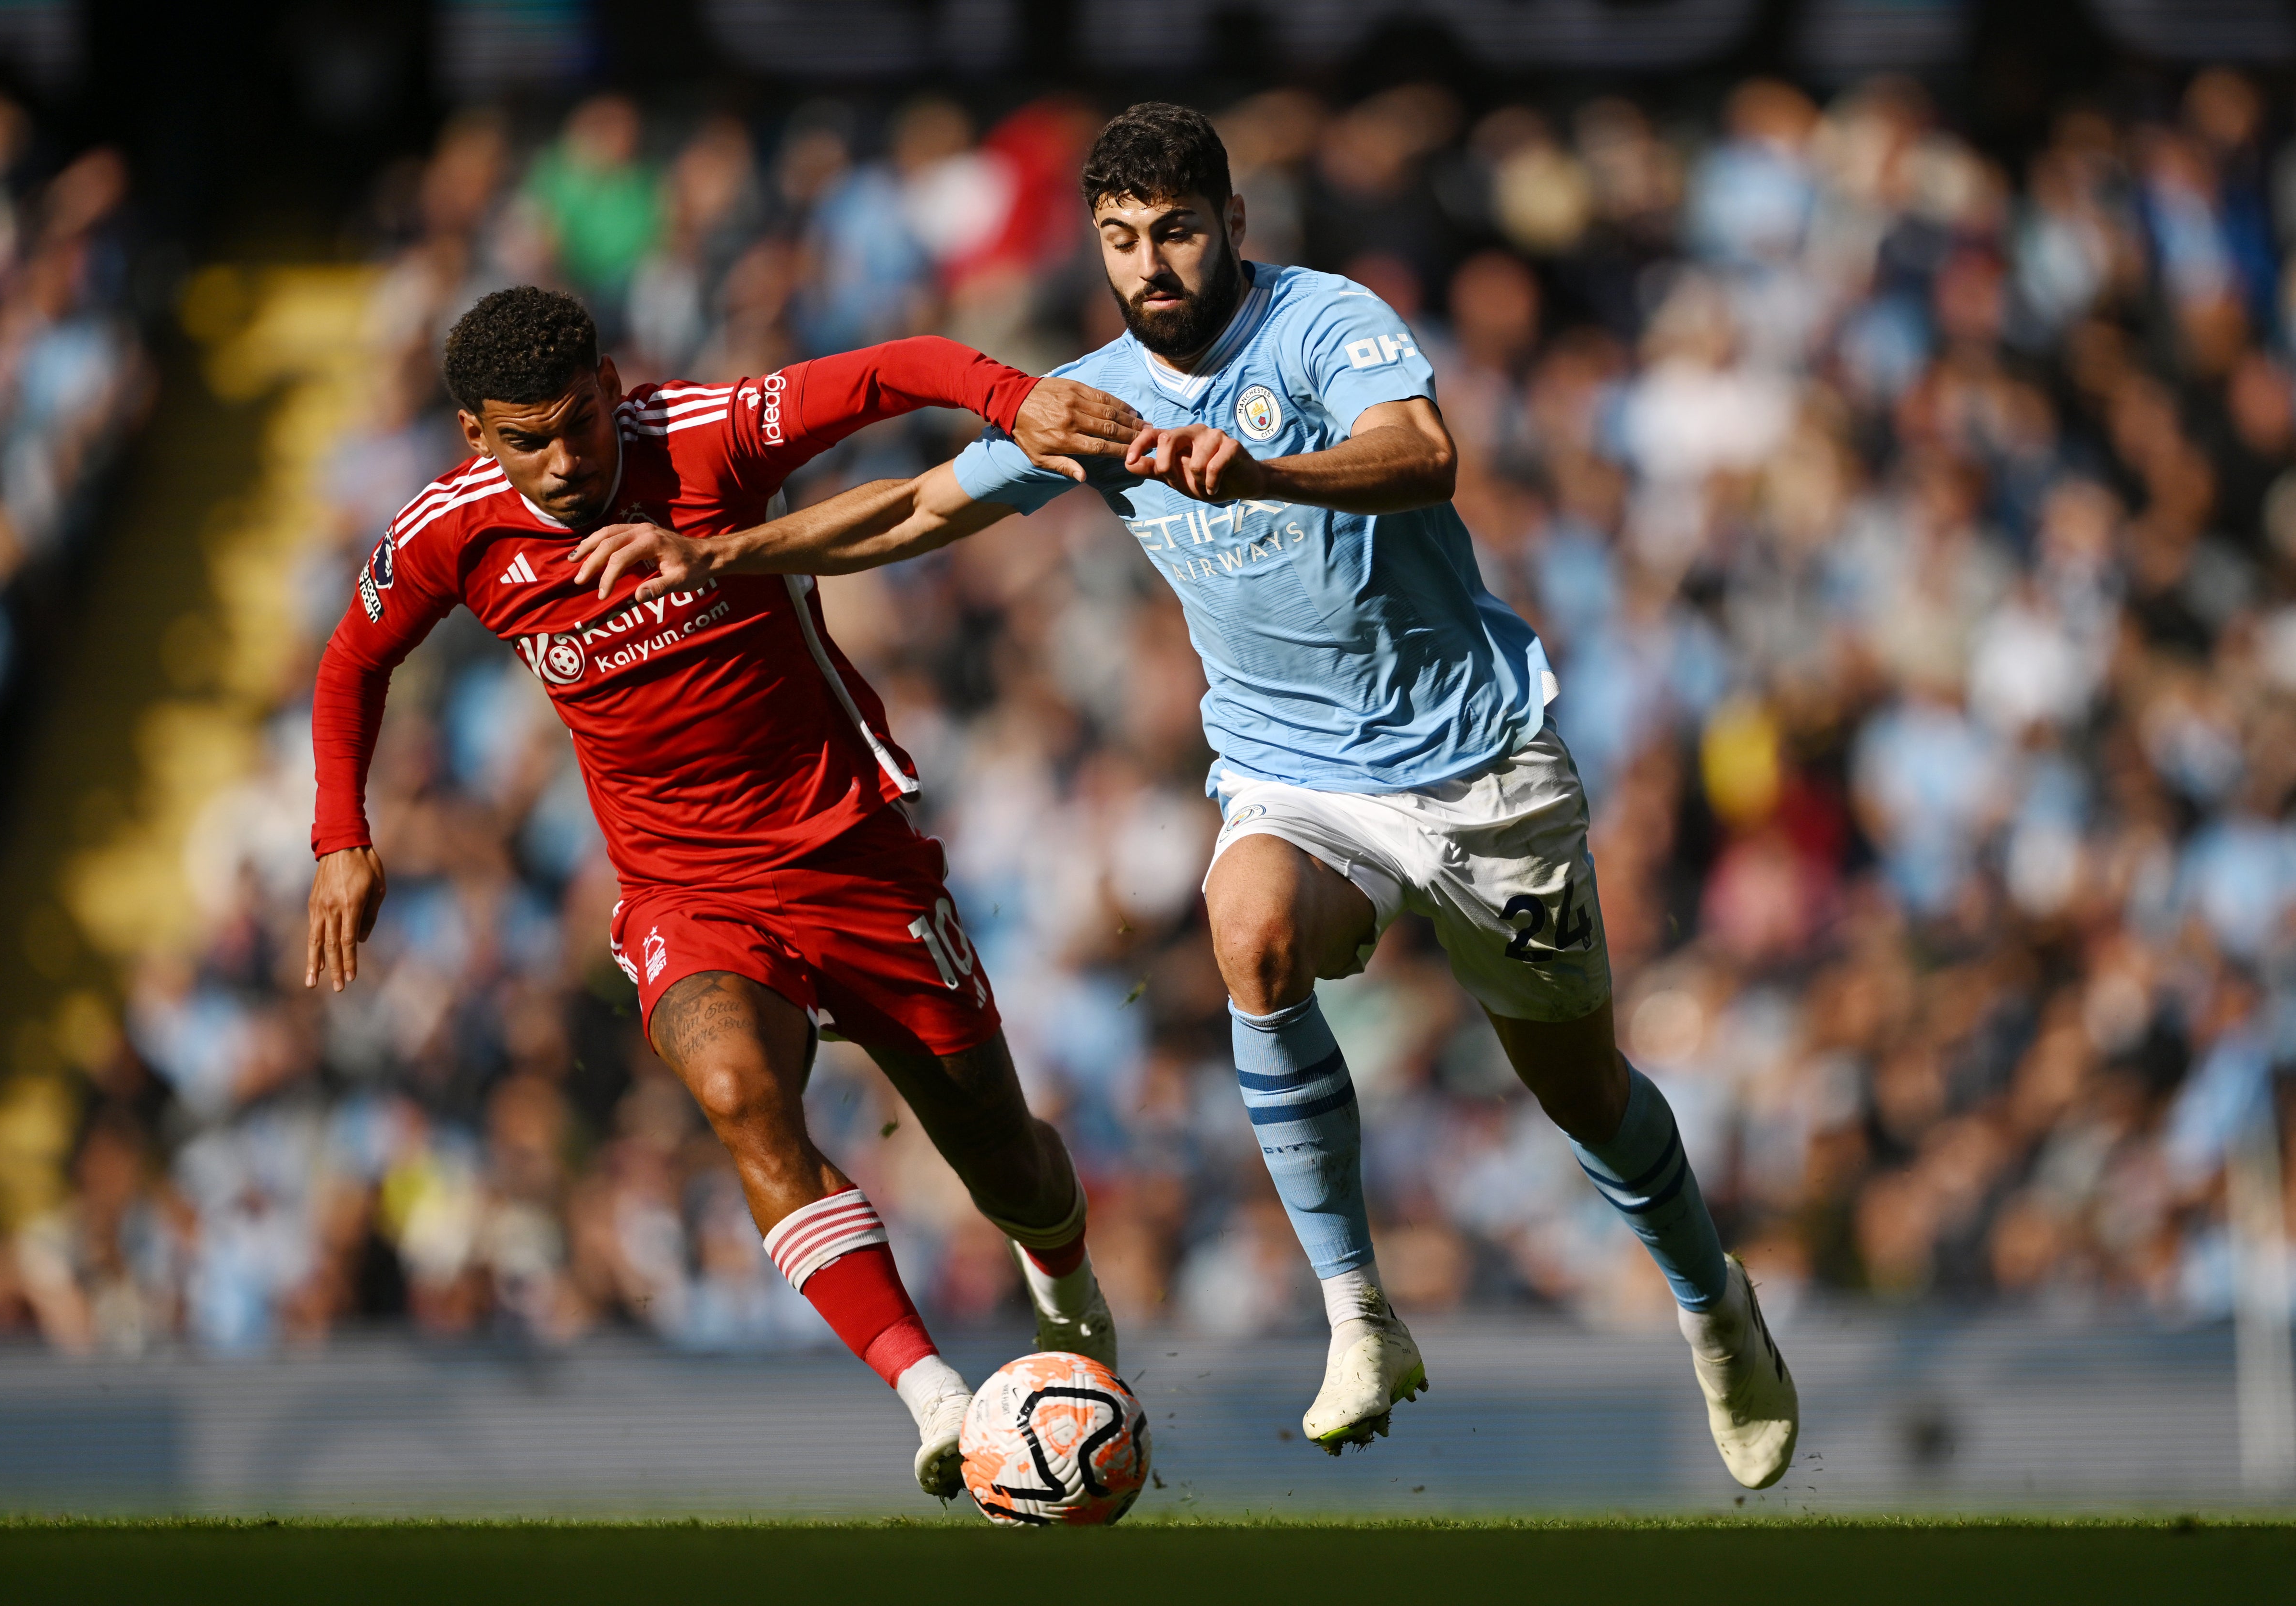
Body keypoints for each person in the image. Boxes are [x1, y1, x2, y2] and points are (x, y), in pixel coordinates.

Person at [568, 105, 1800, 1490]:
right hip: (1292, 775)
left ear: (1229, 222)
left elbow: (1420, 453)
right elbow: (917, 508)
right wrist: (720, 550)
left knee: (1582, 1098)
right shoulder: (1094, 401)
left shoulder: (1324, 323)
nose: (1147, 264)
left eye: (1174, 232)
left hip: (1475, 769)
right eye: (1118, 240)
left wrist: (1264, 466)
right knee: (1249, 932)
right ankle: (1359, 1314)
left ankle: (1712, 1304)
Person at [304, 286, 1148, 1498]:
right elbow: (352, 660)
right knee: (738, 1094)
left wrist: (1015, 398)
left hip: (853, 851)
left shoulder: (705, 434)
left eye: (575, 425)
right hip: (684, 890)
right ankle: (936, 1395)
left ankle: (1067, 1293)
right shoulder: (453, 531)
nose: (559, 462)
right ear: (472, 435)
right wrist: (342, 836)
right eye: (523, 438)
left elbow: (896, 367)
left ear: (608, 389)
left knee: (1002, 1163)